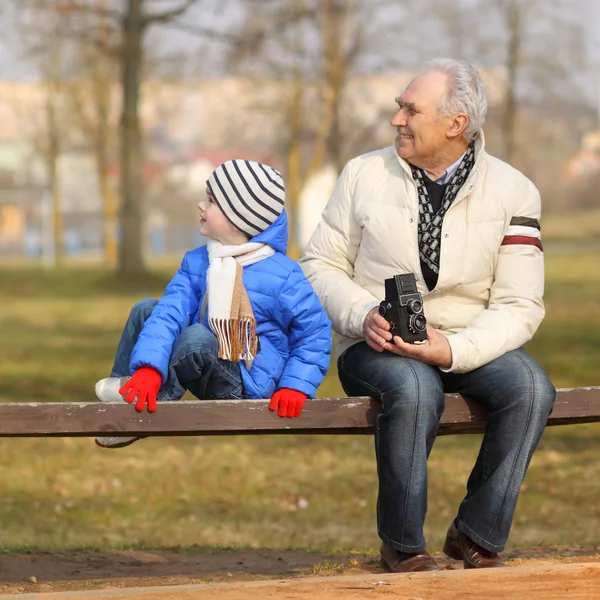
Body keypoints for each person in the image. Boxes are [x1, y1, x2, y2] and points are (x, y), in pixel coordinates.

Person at [299, 58, 555, 572]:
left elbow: (519, 304)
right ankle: (402, 545)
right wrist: (362, 313)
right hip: (373, 347)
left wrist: (454, 350)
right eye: (399, 108)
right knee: (417, 388)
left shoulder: (515, 191)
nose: (397, 119)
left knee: (531, 388)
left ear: (455, 125)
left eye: (410, 110)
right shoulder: (362, 174)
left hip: (469, 341)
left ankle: (475, 534)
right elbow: (319, 265)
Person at [95, 159, 331, 449]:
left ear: (238, 217)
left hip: (244, 383)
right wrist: (148, 369)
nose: (200, 206)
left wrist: (296, 385)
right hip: (203, 364)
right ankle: (129, 391)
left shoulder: (283, 276)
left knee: (197, 336)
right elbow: (170, 313)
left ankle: (142, 413)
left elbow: (314, 334)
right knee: (146, 309)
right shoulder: (197, 261)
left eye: (211, 201)